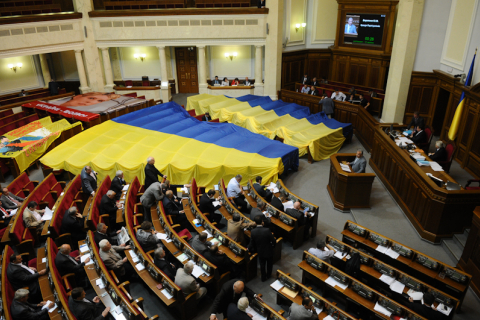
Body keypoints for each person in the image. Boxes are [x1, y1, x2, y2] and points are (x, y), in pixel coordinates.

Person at [248, 215, 275, 281]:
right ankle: (269, 275)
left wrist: (248, 248)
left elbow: (251, 243)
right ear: (262, 222)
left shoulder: (253, 231)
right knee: (269, 264)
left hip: (260, 251)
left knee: (262, 265)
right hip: (268, 250)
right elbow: (273, 240)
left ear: (255, 223)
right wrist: (273, 246)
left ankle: (263, 277)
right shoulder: (267, 230)